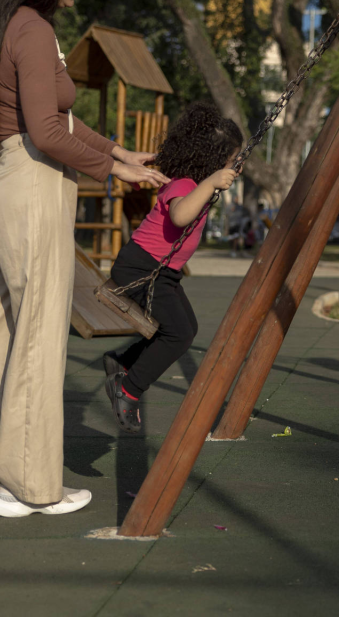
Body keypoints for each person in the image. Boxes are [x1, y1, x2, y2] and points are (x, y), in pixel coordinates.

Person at [0, 0, 167, 517]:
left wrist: (120, 152)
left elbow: (59, 120)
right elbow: (48, 131)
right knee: (37, 337)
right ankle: (27, 486)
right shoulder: (36, 32)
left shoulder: (19, 25)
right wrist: (114, 173)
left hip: (3, 184)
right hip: (32, 189)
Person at [102, 102, 243, 434]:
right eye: (231, 159)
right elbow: (180, 217)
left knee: (186, 329)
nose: (234, 166)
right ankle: (128, 389)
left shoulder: (193, 184)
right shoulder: (184, 185)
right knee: (177, 333)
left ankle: (125, 363)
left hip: (160, 272)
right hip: (141, 269)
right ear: (211, 161)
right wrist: (210, 183)